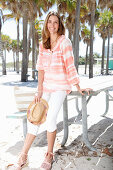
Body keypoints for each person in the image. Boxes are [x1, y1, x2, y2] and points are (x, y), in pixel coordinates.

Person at [10, 11, 91, 170]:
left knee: (51, 118)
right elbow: (40, 68)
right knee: (35, 117)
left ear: (59, 25)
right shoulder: (43, 44)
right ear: (46, 24)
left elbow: (70, 66)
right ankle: (24, 155)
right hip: (46, 87)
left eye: (55, 22)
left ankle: (49, 154)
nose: (52, 25)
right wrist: (39, 90)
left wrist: (78, 86)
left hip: (61, 87)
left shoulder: (64, 42)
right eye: (50, 22)